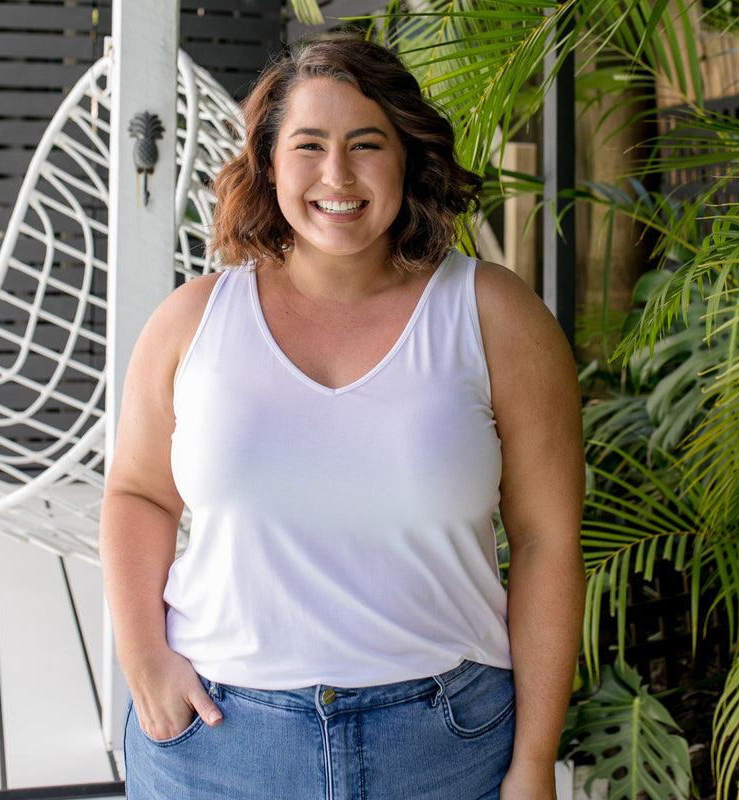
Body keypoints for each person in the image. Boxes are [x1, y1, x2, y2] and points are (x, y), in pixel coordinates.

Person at [100, 33, 585, 800]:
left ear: (407, 156)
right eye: (309, 145)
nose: (338, 174)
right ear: (267, 162)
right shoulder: (192, 321)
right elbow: (138, 493)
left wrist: (533, 762)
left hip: (444, 743)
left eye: (367, 144)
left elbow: (546, 540)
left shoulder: (495, 315)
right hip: (217, 742)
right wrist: (142, 658)